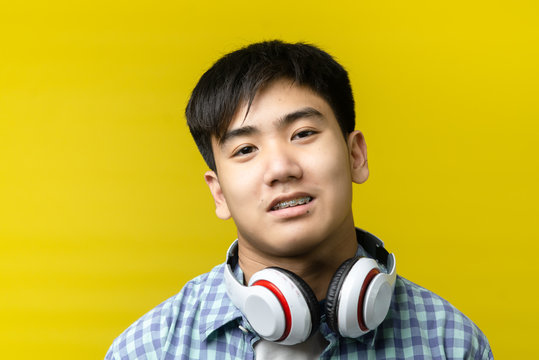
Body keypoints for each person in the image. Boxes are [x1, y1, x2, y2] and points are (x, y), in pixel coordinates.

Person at [105, 40, 493, 359]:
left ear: (355, 155)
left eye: (303, 133)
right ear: (218, 193)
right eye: (245, 150)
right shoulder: (149, 349)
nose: (280, 168)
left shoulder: (451, 343)